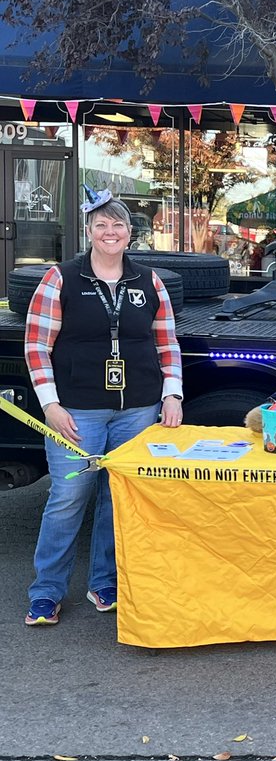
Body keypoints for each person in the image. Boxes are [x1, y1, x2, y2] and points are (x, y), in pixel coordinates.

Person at [22, 188, 184, 626]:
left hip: (138, 409)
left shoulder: (149, 281)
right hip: (76, 411)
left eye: (117, 225)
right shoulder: (60, 279)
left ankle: (105, 582)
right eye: (101, 225)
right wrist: (50, 406)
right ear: (89, 232)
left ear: (130, 234)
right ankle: (46, 592)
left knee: (118, 498)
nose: (109, 232)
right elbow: (37, 346)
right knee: (68, 499)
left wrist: (172, 394)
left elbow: (166, 343)